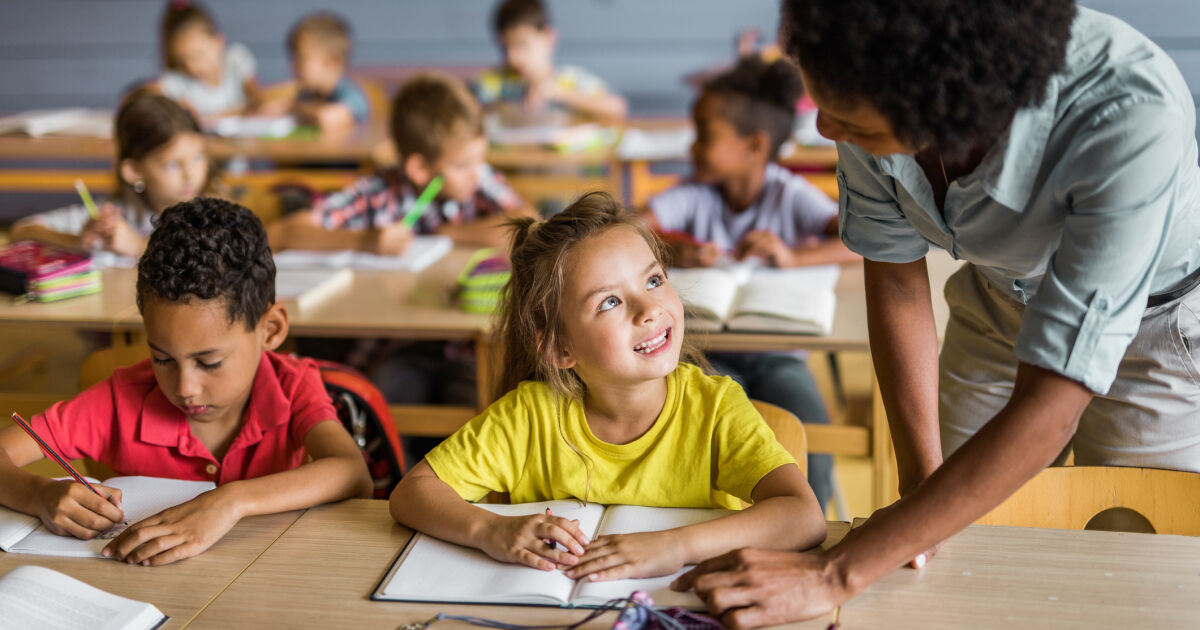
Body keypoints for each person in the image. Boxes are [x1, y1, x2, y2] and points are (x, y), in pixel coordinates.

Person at [675, 1, 1200, 627]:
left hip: (1154, 329)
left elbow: (1053, 400)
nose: (824, 128)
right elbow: (895, 277)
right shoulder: (867, 75)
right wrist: (918, 492)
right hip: (998, 295)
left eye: (844, 114)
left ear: (938, 99)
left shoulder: (1129, 111)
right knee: (946, 542)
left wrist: (833, 574)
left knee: (1136, 566)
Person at [389, 192, 825, 579]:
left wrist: (676, 546)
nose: (648, 309)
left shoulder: (715, 408)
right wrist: (490, 529)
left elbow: (803, 516)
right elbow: (411, 493)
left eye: (653, 280)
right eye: (610, 302)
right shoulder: (528, 416)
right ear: (560, 348)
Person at [0, 198, 372, 566]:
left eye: (209, 363)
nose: (185, 388)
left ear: (270, 330)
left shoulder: (291, 385)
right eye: (163, 359)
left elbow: (352, 473)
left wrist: (230, 502)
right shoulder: (119, 400)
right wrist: (37, 493)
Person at [643, 55, 859, 511]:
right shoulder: (695, 194)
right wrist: (674, 249)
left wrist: (794, 257)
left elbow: (858, 241)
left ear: (753, 146)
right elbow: (629, 229)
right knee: (706, 422)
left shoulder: (787, 193)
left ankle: (812, 519)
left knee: (808, 431)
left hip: (779, 357)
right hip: (708, 353)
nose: (692, 147)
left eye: (705, 135)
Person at [268, 72, 525, 254]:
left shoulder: (478, 178)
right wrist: (366, 241)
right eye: (462, 165)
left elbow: (526, 224)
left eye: (479, 159)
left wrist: (445, 232)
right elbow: (281, 233)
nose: (476, 171)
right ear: (419, 169)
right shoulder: (378, 193)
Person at [12, 90, 217, 257]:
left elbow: (212, 263)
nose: (190, 175)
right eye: (172, 165)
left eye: (198, 157)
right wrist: (78, 241)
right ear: (134, 171)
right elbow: (21, 230)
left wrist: (139, 247)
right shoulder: (117, 216)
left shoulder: (214, 215)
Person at [473, 0, 627, 124]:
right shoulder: (491, 83)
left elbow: (617, 108)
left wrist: (558, 93)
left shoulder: (569, 79)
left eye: (522, 44)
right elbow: (466, 114)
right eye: (506, 47)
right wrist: (498, 109)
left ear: (549, 37)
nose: (513, 57)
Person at [257, 12, 369, 134]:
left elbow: (327, 118)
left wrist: (293, 109)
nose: (294, 66)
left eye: (302, 59)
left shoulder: (350, 94)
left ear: (332, 61)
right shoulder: (308, 95)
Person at [155, 1, 260, 119]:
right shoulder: (178, 82)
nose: (191, 66)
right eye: (182, 61)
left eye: (198, 54)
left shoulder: (236, 60)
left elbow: (256, 100)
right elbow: (146, 92)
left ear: (219, 41)